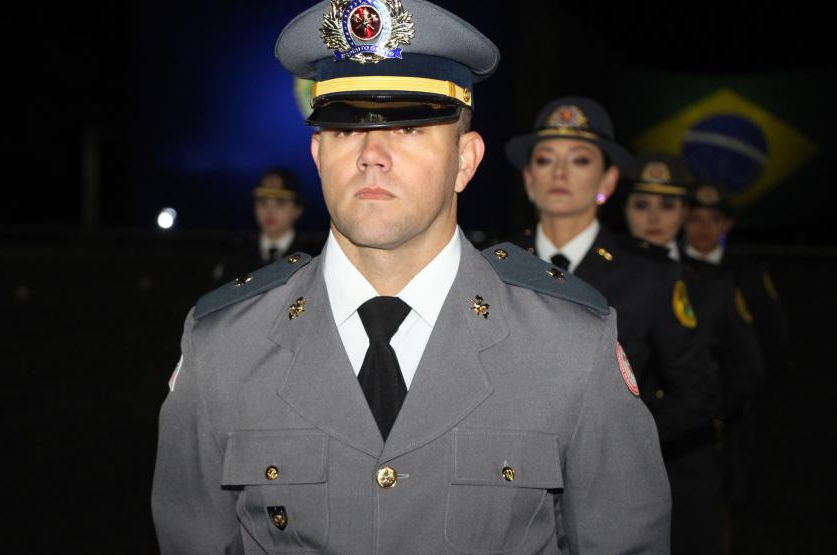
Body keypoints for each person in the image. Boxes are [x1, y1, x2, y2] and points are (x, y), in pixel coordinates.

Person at [152, 2, 670, 553]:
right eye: (347, 129)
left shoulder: (568, 344)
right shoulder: (224, 345)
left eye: (409, 127)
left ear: (465, 161)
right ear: (317, 152)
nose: (372, 155)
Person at [505, 98, 720, 447]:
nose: (560, 173)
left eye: (580, 160)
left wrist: (622, 450)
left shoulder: (649, 276)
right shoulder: (496, 265)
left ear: (607, 181)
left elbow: (697, 392)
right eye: (545, 160)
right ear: (529, 179)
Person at [624, 155, 765, 555]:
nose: (654, 218)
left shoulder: (710, 284)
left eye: (667, 206)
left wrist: (698, 411)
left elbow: (749, 370)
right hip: (612, 457)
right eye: (642, 205)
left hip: (685, 450)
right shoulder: (604, 274)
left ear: (685, 214)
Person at [684, 182, 787, 550]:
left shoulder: (745, 272)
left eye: (714, 219)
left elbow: (772, 336)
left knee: (721, 504)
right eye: (695, 218)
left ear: (727, 224)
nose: (703, 228)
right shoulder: (665, 269)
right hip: (676, 409)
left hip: (730, 411)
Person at [213, 168, 323, 283]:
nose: (269, 210)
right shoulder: (235, 258)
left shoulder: (312, 258)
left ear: (298, 209)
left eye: (280, 203)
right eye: (263, 202)